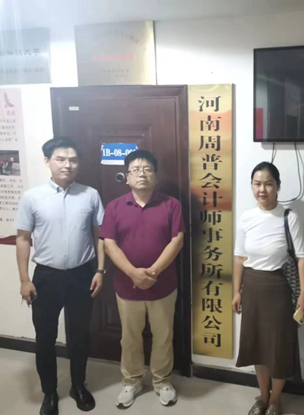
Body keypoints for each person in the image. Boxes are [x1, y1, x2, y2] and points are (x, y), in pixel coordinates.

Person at [16, 137, 105, 415]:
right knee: (45, 337)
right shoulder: (32, 197)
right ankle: (49, 392)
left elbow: (100, 236)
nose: (68, 165)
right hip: (46, 277)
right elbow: (22, 239)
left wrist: (100, 270)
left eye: (73, 160)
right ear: (47, 162)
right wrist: (24, 279)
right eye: (61, 159)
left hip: (82, 274)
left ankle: (78, 385)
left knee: (79, 334)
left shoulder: (90, 195)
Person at [100, 150, 185, 409]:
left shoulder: (171, 204)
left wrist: (153, 272)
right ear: (126, 177)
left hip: (163, 285)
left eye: (147, 169)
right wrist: (133, 272)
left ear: (156, 176)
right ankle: (132, 381)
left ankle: (162, 381)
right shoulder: (114, 207)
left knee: (163, 335)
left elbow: (177, 240)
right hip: (127, 286)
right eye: (135, 170)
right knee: (130, 337)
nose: (142, 174)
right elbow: (109, 244)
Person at [233, 162, 304, 415]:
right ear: (252, 186)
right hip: (252, 288)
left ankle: (276, 400)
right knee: (257, 346)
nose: (262, 190)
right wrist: (236, 291)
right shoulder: (246, 217)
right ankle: (263, 397)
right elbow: (239, 258)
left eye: (268, 184)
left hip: (279, 289)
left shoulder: (289, 217)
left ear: (278, 186)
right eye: (257, 184)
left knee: (278, 348)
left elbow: (302, 258)